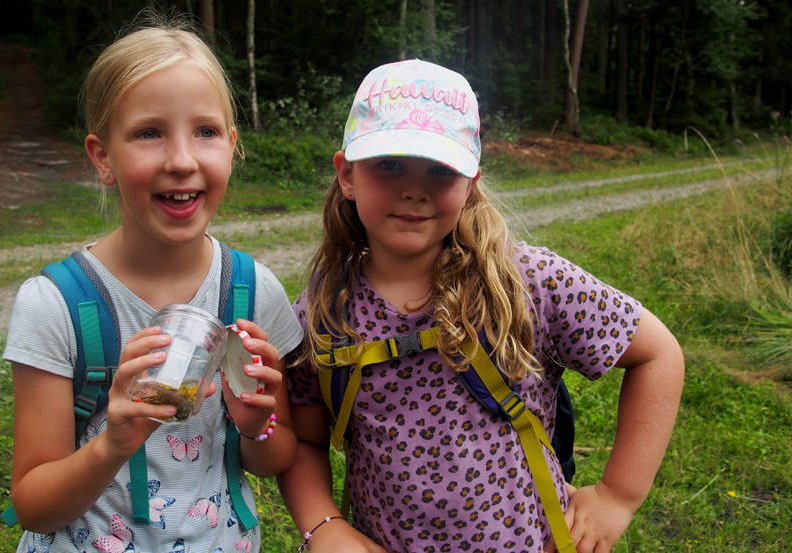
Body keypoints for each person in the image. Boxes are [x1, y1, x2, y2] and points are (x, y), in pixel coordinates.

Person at [278, 59, 685, 553]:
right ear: (347, 175)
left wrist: (619, 495)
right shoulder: (323, 311)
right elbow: (305, 441)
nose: (413, 187)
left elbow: (658, 354)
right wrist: (324, 526)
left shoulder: (529, 282)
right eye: (388, 164)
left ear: (470, 184)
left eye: (441, 169)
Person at [3, 21, 303, 553]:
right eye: (149, 133)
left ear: (232, 147)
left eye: (206, 132)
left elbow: (274, 459)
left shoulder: (255, 293)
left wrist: (257, 422)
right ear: (102, 157)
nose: (182, 160)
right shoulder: (55, 305)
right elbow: (33, 503)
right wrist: (110, 444)